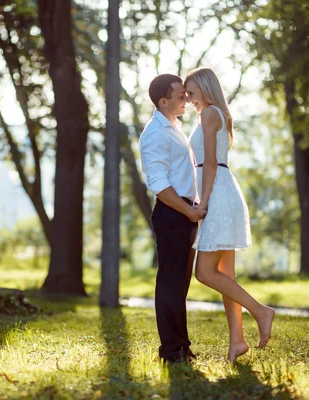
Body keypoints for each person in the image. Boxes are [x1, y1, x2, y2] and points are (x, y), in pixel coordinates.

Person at [185, 67, 275, 362]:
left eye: (192, 92)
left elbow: (209, 163)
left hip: (217, 195)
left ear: (206, 89)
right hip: (222, 191)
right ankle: (237, 340)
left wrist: (203, 202)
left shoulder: (209, 114)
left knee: (205, 273)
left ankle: (261, 310)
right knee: (225, 274)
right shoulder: (214, 114)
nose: (189, 98)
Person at [139, 74, 206, 364]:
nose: (187, 100)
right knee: (170, 283)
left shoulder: (174, 127)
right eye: (181, 95)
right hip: (173, 214)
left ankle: (181, 347)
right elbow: (158, 183)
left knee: (180, 285)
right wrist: (188, 210)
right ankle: (171, 351)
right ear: (162, 101)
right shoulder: (155, 132)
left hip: (184, 212)